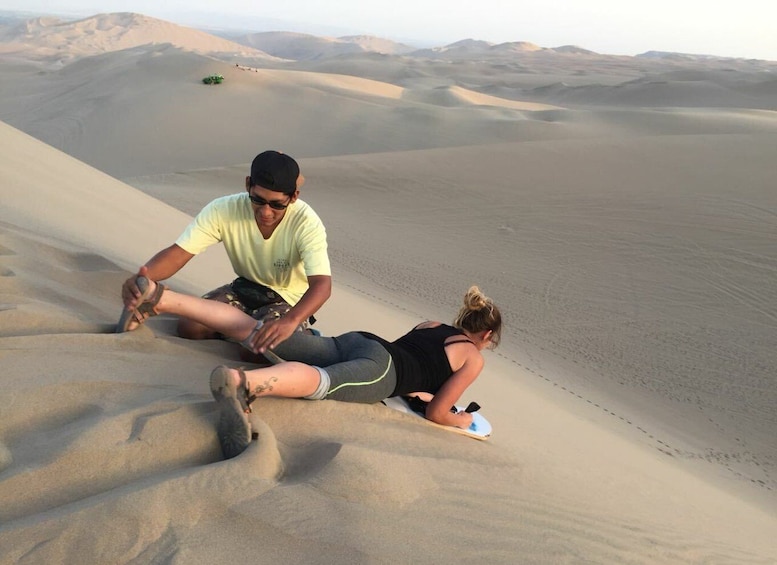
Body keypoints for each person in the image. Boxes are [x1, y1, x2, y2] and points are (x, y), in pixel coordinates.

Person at [123, 275, 502, 459]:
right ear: (485, 334)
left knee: (263, 332)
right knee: (320, 382)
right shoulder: (474, 357)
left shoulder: (431, 325)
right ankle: (243, 383)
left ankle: (165, 299)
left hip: (360, 342)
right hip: (381, 371)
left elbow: (416, 360)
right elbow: (438, 411)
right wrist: (461, 421)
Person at [118, 150, 332, 354]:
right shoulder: (224, 209)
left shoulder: (306, 223)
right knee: (190, 328)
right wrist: (142, 279)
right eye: (257, 200)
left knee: (257, 351)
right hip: (244, 289)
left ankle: (304, 337)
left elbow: (322, 285)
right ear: (248, 184)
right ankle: (244, 327)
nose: (266, 212)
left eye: (277, 204)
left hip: (288, 301)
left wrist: (291, 320)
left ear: (293, 197)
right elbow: (179, 253)